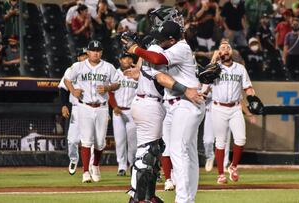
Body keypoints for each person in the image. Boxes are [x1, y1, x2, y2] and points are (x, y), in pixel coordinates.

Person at [122, 19, 205, 203]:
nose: (158, 42)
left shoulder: (177, 48)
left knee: (178, 151)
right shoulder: (173, 47)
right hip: (174, 103)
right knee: (183, 152)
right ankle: (182, 198)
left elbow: (158, 61)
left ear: (172, 40)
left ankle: (181, 199)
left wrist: (135, 49)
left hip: (184, 102)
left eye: (162, 39)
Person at [64, 40, 120, 183]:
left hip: (101, 107)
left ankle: (95, 165)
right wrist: (73, 90)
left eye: (98, 50)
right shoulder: (79, 66)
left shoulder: (108, 67)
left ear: (101, 52)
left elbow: (118, 83)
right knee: (86, 140)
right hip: (85, 107)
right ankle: (85, 172)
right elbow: (66, 79)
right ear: (88, 52)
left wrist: (108, 88)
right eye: (93, 50)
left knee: (100, 142)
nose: (96, 52)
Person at [210, 40, 256, 183]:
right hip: (218, 107)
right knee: (220, 142)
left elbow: (247, 87)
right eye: (222, 48)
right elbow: (205, 78)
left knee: (241, 139)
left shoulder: (240, 68)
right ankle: (220, 174)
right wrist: (214, 59)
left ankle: (233, 166)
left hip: (235, 108)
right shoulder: (214, 68)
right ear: (218, 52)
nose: (225, 49)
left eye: (228, 47)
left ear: (231, 52)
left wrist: (253, 97)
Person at [58, 48, 95, 176]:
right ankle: (73, 159)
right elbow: (63, 89)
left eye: (86, 55)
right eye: (81, 56)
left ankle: (89, 167)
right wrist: (63, 105)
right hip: (77, 107)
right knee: (72, 140)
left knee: (90, 140)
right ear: (78, 58)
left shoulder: (95, 70)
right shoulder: (71, 70)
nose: (84, 57)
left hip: (92, 108)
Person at [108, 52, 138, 176]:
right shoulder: (115, 74)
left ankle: (132, 164)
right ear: (120, 60)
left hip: (132, 111)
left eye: (129, 57)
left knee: (133, 141)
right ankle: (121, 166)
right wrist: (114, 106)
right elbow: (109, 92)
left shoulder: (137, 74)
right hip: (118, 111)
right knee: (120, 140)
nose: (127, 60)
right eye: (124, 57)